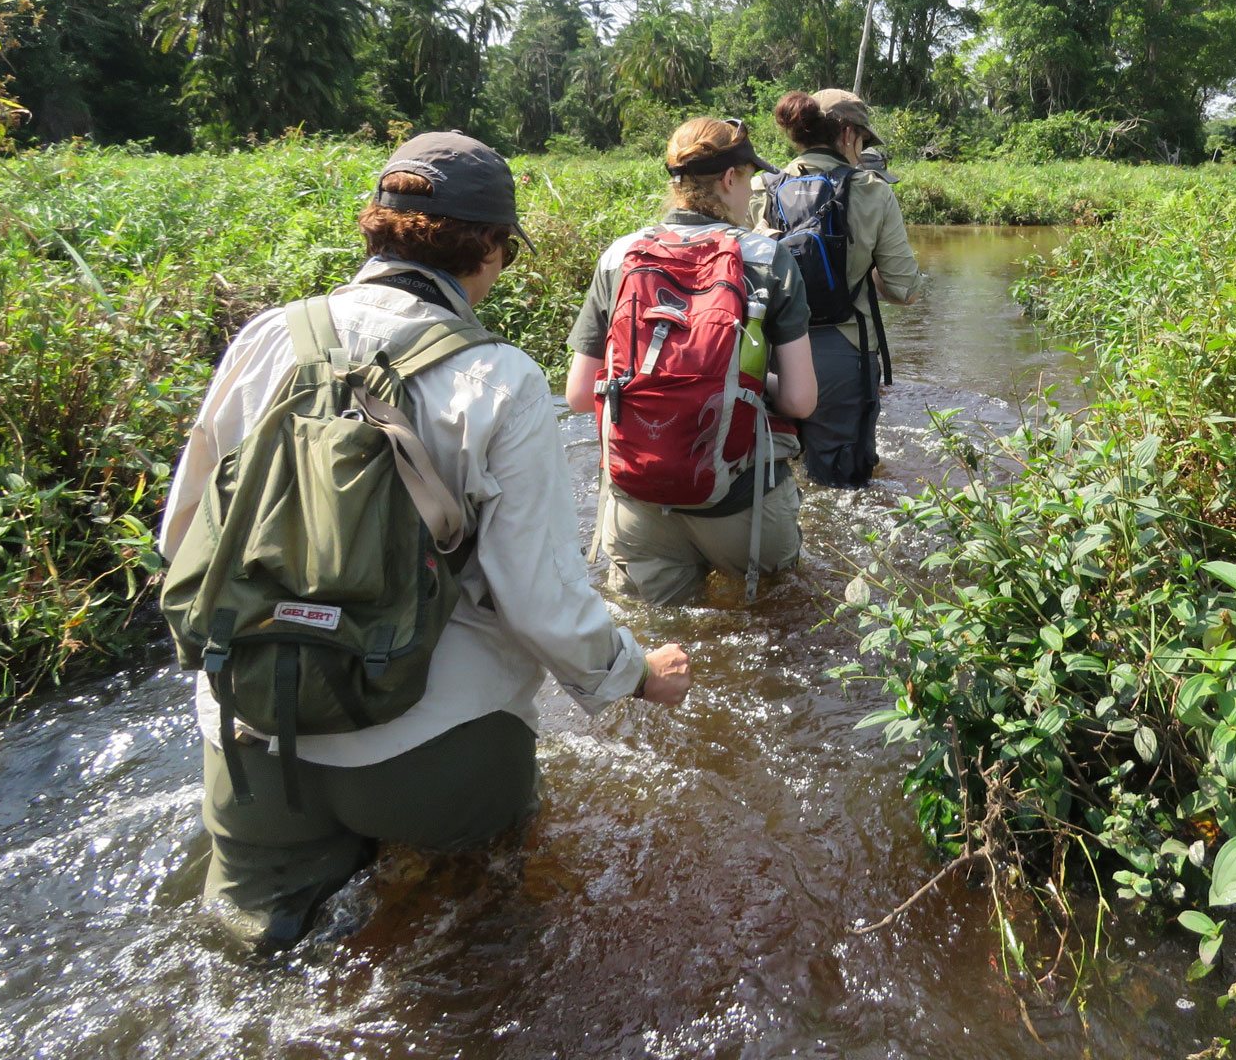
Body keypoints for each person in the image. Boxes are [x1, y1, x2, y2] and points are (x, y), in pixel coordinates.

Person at [159, 132, 691, 955]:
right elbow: (539, 599)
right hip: (436, 753)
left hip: (255, 733)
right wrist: (634, 673)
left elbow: (185, 531)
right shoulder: (503, 378)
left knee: (249, 960)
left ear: (376, 229)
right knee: (473, 950)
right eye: (505, 247)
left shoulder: (268, 336)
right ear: (485, 246)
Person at [565, 117, 818, 605]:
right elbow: (800, 400)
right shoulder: (769, 258)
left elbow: (579, 395)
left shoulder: (620, 256)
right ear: (729, 180)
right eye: (749, 180)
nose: (751, 193)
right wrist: (743, 380)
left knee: (659, 644)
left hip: (639, 501)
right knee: (771, 629)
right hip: (743, 506)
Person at [753, 89, 923, 488]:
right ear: (847, 134)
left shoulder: (764, 187)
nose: (861, 148)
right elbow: (905, 290)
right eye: (863, 140)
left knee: (782, 472)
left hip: (771, 354)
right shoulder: (872, 189)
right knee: (843, 480)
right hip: (844, 352)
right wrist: (865, 268)